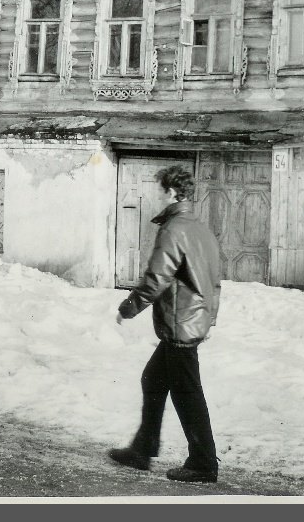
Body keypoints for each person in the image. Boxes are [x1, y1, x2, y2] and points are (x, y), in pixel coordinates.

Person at [109, 165, 223, 483]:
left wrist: (129, 307)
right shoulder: (200, 228)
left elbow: (158, 277)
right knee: (153, 378)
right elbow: (214, 282)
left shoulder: (174, 229)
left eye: (161, 190)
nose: (158, 195)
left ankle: (203, 463)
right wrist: (208, 320)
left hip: (180, 323)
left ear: (171, 192)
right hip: (192, 320)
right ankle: (142, 449)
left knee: (187, 392)